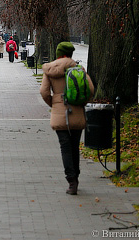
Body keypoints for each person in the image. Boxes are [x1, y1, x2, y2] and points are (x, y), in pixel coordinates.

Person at [39, 41, 95, 195]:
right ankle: (76, 176)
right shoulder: (78, 68)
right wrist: (82, 102)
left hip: (59, 113)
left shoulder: (50, 69)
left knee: (65, 146)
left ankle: (71, 181)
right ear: (70, 54)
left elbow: (44, 92)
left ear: (58, 54)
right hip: (77, 111)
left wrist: (55, 103)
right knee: (74, 146)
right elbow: (90, 89)